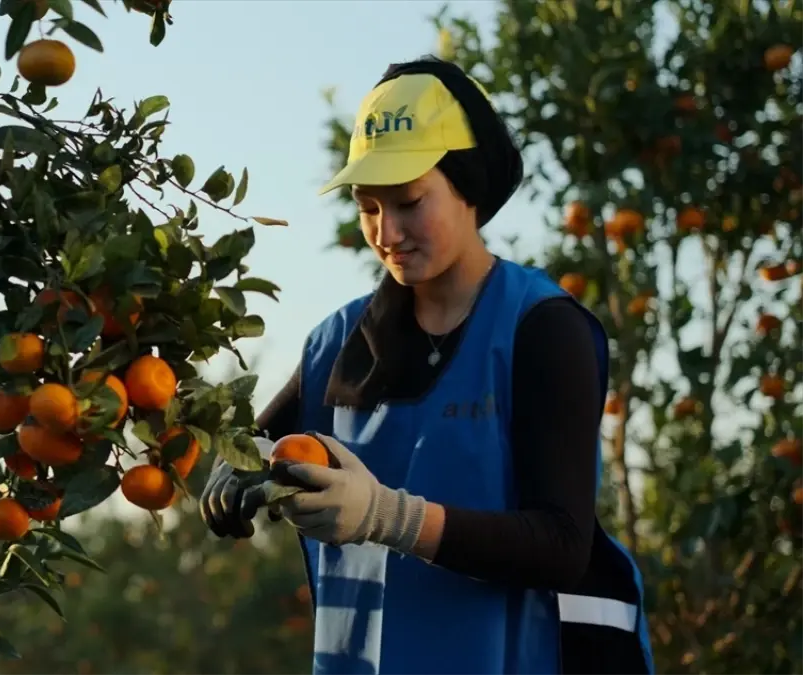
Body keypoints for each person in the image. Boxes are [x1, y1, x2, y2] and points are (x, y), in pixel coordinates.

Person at [199, 56, 654, 675]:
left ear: (468, 185)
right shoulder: (337, 343)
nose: (387, 232)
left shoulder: (542, 329)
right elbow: (260, 442)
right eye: (367, 207)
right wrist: (237, 464)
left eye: (410, 202)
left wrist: (388, 517)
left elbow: (561, 545)